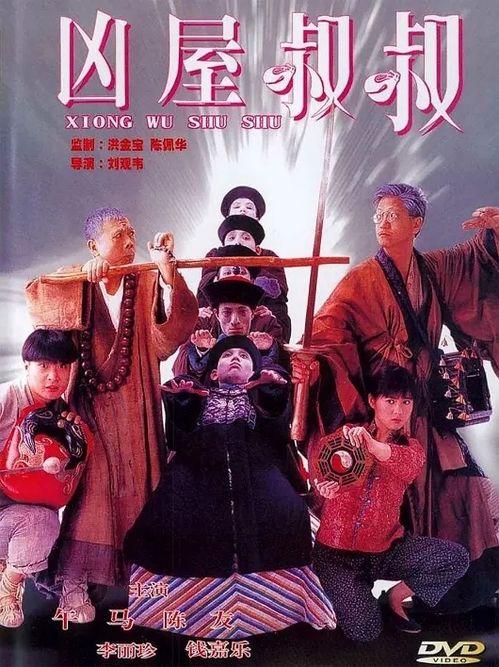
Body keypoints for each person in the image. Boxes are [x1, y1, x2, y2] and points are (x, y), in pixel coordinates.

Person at [293, 184, 499, 612]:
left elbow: (478, 263)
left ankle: (435, 594)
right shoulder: (360, 280)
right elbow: (326, 333)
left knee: (462, 487)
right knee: (377, 502)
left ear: (416, 223)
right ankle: (358, 590)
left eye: (392, 215)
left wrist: (495, 235)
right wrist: (312, 361)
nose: (382, 224)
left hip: (424, 406)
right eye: (378, 217)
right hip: (385, 413)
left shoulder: (434, 268)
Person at [25, 207, 198, 622]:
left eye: (131, 233)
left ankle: (148, 584)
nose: (129, 240)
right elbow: (37, 296)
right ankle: (74, 583)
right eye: (118, 234)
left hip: (137, 407)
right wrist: (80, 275)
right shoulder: (78, 282)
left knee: (143, 492)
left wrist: (169, 274)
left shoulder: (147, 279)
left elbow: (168, 338)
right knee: (92, 495)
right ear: (93, 245)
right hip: (89, 411)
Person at [124, 335, 335, 638]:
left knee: (290, 511)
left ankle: (280, 606)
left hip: (256, 466)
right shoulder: (199, 395)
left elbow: (277, 429)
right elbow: (177, 437)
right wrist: (183, 400)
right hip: (196, 467)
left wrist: (272, 391)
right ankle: (171, 609)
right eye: (227, 355)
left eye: (244, 356)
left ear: (255, 372)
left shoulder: (261, 395)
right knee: (168, 514)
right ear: (213, 373)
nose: (235, 358)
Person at [308, 365, 469, 641]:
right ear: (373, 401)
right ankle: (345, 594)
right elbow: (322, 466)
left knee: (455, 558)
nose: (398, 410)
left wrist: (372, 445)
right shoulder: (346, 436)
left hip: (386, 550)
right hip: (337, 557)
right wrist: (323, 488)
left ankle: (395, 597)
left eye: (406, 402)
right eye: (390, 400)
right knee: (365, 632)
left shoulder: (412, 450)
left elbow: (403, 465)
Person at [0, 330, 81, 627]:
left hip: (18, 516)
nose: (53, 376)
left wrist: (74, 441)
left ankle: (8, 587)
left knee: (44, 522)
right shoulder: (6, 397)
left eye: (62, 366)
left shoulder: (63, 415)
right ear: (26, 366)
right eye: (44, 365)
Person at [197, 185, 292, 341]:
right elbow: (205, 288)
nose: (242, 210)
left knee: (272, 322)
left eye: (249, 207)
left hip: (262, 314)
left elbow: (277, 292)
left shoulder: (269, 256)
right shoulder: (214, 255)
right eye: (236, 207)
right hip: (221, 314)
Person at [173, 274, 283, 380]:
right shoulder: (201, 325)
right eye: (226, 313)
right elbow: (182, 372)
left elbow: (283, 373)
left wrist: (269, 347)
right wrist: (202, 350)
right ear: (217, 314)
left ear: (252, 314)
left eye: (243, 312)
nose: (235, 321)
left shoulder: (266, 324)